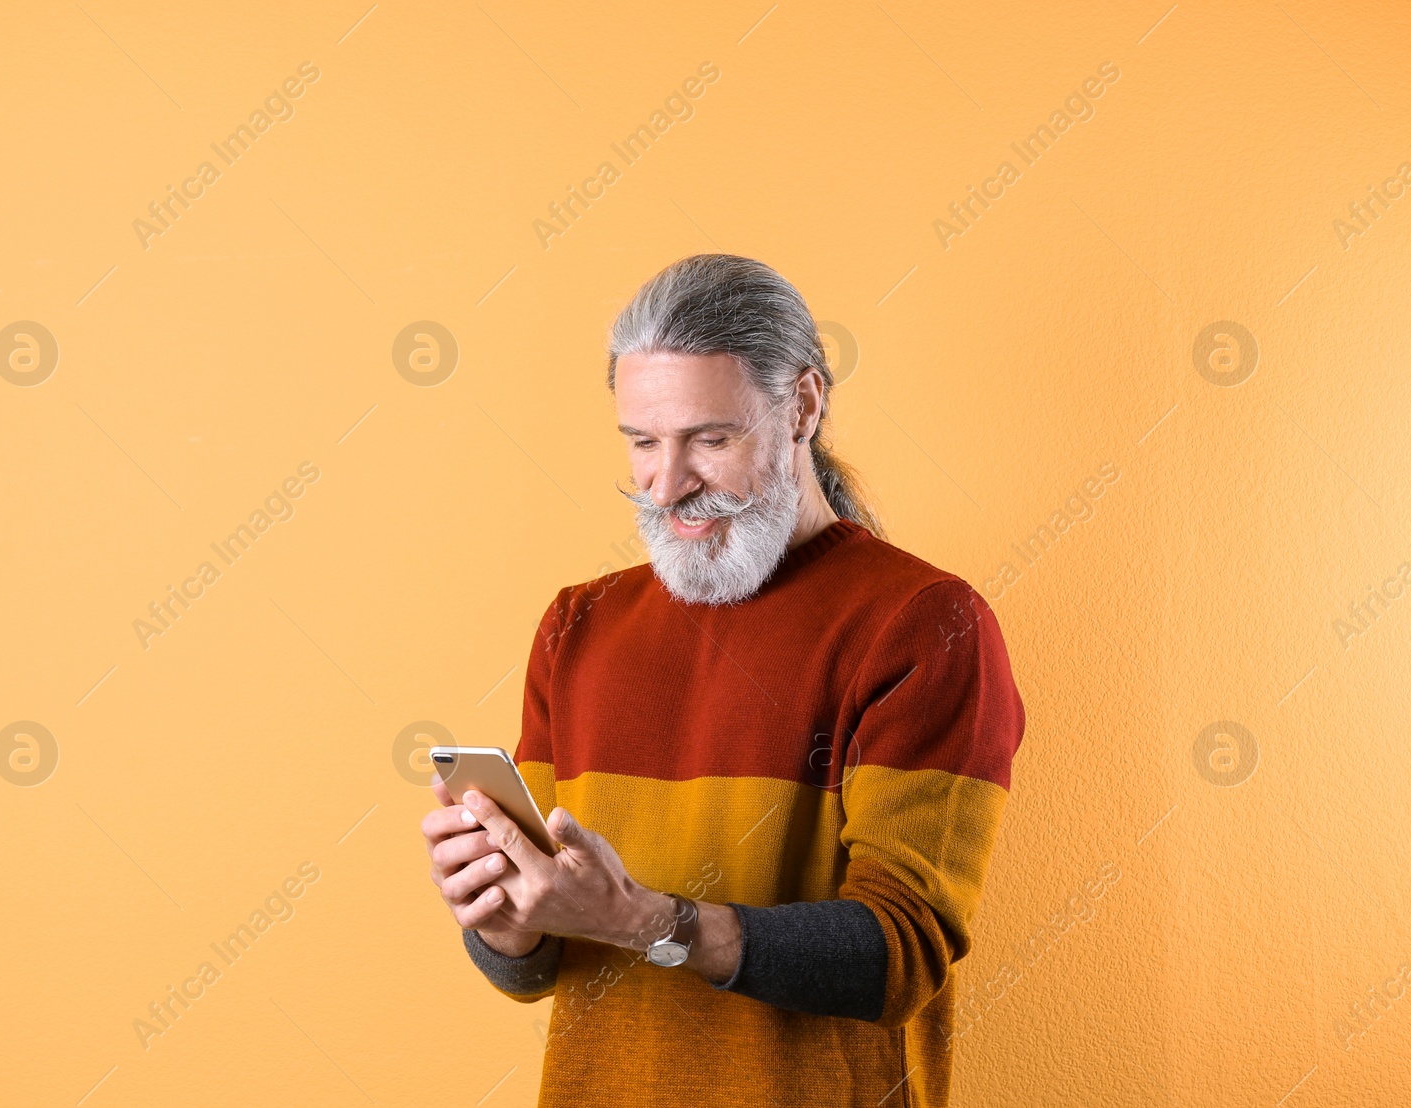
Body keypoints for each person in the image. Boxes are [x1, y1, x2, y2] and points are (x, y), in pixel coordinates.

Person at [420, 253, 1026, 1107]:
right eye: (642, 442)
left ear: (804, 406)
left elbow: (902, 954)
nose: (668, 485)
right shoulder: (576, 628)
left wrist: (650, 922)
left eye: (710, 438)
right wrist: (507, 924)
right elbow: (538, 971)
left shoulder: (926, 625)